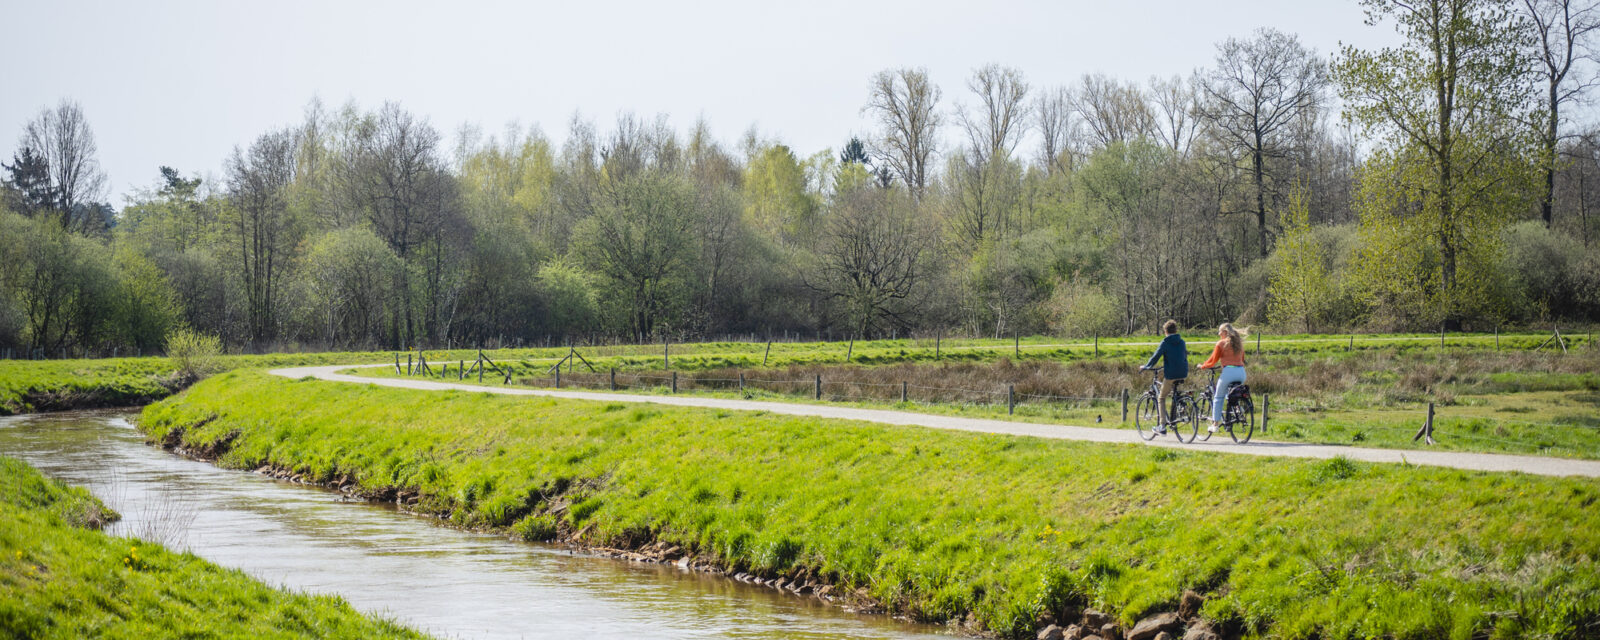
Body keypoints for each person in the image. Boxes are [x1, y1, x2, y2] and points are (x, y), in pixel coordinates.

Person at [1197, 323, 1248, 433]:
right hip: (1241, 372)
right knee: (1232, 393)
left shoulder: (1221, 344)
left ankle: (1215, 424)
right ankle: (1238, 408)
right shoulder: (1239, 344)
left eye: (1220, 331)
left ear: (1225, 332)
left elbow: (1212, 361)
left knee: (1218, 397)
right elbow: (1242, 359)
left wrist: (1203, 366)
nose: (1219, 334)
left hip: (1228, 372)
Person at [1139, 320, 1188, 428]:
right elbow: (1184, 355)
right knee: (1175, 393)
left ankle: (1162, 425)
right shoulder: (1182, 341)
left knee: (1161, 398)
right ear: (1176, 330)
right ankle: (1177, 413)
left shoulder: (1165, 342)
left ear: (1165, 331)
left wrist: (1146, 366)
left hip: (1171, 373)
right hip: (1183, 372)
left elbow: (1155, 357)